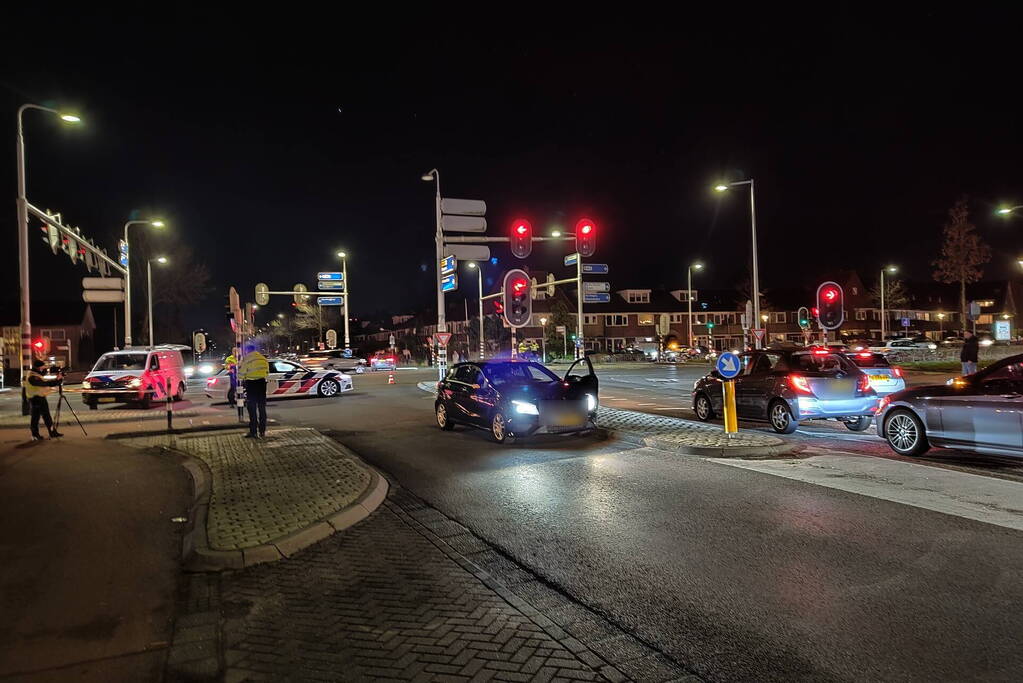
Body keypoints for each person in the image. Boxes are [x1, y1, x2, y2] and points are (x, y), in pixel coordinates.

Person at [25, 359, 63, 441]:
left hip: (40, 398)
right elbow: (43, 383)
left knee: (47, 417)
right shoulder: (32, 376)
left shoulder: (37, 374)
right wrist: (56, 381)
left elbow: (45, 382)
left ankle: (52, 432)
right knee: (35, 418)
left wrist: (57, 380)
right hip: (35, 399)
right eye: (43, 366)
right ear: (38, 367)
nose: (44, 368)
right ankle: (35, 435)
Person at [239, 342, 269, 439]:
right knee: (262, 408)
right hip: (262, 384)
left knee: (252, 408)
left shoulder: (247, 359)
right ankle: (262, 431)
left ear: (247, 350)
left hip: (251, 385)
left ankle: (253, 432)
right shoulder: (263, 358)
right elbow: (267, 372)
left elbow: (241, 374)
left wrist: (241, 378)